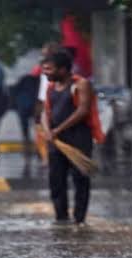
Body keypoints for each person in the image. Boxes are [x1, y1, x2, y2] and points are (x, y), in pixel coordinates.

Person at [41, 51, 93, 225]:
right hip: (56, 142)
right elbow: (45, 111)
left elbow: (83, 110)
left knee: (80, 179)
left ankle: (80, 219)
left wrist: (57, 129)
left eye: (49, 69)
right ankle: (61, 218)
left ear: (63, 69)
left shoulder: (81, 84)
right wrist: (48, 130)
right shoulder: (51, 87)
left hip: (78, 139)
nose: (45, 73)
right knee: (56, 181)